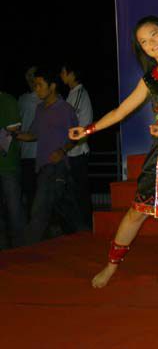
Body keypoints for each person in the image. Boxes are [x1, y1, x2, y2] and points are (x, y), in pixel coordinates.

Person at [69, 16, 158, 292]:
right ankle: (111, 266)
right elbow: (120, 112)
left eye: (154, 35)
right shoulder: (149, 80)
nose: (151, 43)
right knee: (137, 211)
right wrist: (87, 130)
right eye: (144, 42)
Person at [13, 67, 83, 244]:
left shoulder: (65, 109)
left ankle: (26, 251)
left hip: (56, 167)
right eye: (35, 85)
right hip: (43, 166)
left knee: (39, 211)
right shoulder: (40, 109)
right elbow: (33, 134)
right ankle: (84, 236)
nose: (36, 89)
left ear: (52, 86)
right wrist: (15, 135)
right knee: (67, 210)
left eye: (39, 85)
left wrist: (62, 150)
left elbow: (76, 136)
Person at [60, 61, 94, 227]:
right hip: (71, 152)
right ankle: (80, 227)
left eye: (63, 72)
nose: (61, 75)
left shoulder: (79, 93)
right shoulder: (72, 94)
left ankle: (86, 228)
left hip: (78, 152)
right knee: (74, 193)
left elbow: (70, 121)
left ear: (72, 74)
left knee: (80, 193)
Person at [0, 90, 25, 248]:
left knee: (14, 208)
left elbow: (14, 128)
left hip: (8, 165)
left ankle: (20, 250)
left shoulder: (8, 101)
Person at [18, 67, 41, 209]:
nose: (30, 79)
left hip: (43, 154)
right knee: (31, 193)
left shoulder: (49, 98)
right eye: (28, 76)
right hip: (27, 154)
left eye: (33, 75)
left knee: (40, 194)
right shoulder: (23, 99)